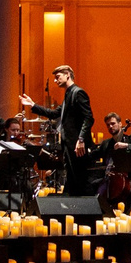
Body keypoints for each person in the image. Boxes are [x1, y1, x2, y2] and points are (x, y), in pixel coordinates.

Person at [22, 66, 97, 194]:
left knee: (79, 180)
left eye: (58, 77)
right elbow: (54, 113)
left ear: (67, 75)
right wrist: (33, 105)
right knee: (73, 179)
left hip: (77, 145)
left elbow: (89, 118)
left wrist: (81, 139)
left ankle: (84, 209)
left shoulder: (78, 93)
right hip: (69, 144)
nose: (55, 81)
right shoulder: (69, 94)